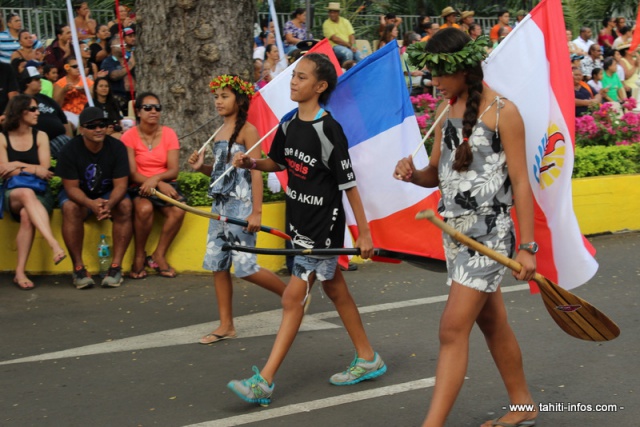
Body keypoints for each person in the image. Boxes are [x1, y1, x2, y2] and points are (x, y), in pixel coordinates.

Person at [394, 29, 537, 427]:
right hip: (455, 234)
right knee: (492, 322)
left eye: (440, 73)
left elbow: (521, 183)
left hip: (490, 233)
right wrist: (412, 174)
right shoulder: (445, 112)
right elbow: (435, 175)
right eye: (431, 74)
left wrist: (527, 247)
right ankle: (523, 405)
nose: (434, 81)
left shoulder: (504, 112)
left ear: (464, 68)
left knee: (452, 329)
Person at [228, 54, 386, 405]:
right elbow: (278, 163)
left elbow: (349, 184)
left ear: (320, 86)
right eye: (294, 76)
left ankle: (264, 381)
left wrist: (363, 233)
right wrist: (252, 162)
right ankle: (367, 357)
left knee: (292, 298)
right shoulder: (288, 123)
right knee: (335, 288)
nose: (293, 81)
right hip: (298, 222)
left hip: (323, 227)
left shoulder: (330, 130)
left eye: (301, 77)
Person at [187, 75, 286, 344]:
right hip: (219, 206)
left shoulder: (248, 130)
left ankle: (292, 296)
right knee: (218, 265)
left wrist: (257, 212)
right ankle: (226, 325)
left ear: (240, 100)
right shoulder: (219, 131)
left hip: (241, 207)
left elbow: (255, 172)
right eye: (216, 97)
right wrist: (201, 168)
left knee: (245, 267)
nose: (218, 101)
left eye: (225, 96)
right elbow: (222, 174)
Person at [56, 107, 133, 289]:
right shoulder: (69, 150)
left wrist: (109, 204)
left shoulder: (117, 147)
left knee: (125, 206)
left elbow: (121, 185)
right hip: (81, 195)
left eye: (102, 125)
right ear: (82, 129)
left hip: (107, 194)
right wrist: (91, 204)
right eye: (92, 126)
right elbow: (71, 188)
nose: (98, 129)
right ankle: (79, 269)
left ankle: (115, 267)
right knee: (70, 208)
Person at [0, 94, 67, 290]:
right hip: (13, 191)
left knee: (26, 215)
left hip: (40, 192)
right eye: (33, 109)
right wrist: (32, 168)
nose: (38, 113)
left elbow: (45, 170)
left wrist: (15, 164)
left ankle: (20, 272)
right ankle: (53, 244)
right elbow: (3, 171)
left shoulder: (41, 136)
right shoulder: (2, 137)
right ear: (20, 112)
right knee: (25, 194)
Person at [121, 92, 185, 279]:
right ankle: (139, 255)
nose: (153, 111)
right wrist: (151, 182)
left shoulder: (169, 134)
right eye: (147, 108)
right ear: (138, 112)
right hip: (139, 185)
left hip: (164, 183)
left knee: (179, 209)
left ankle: (159, 254)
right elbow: (132, 173)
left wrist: (157, 181)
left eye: (157, 108)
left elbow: (173, 170)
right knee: (144, 209)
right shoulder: (129, 136)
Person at [19, 66, 72, 158]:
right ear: (27, 83)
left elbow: (64, 120)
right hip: (40, 144)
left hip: (62, 138)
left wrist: (71, 141)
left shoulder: (46, 99)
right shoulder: (19, 101)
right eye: (36, 79)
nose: (40, 81)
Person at [53, 56, 94, 129]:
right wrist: (63, 91)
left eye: (80, 66)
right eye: (75, 66)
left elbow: (94, 100)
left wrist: (86, 91)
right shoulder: (59, 84)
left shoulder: (88, 82)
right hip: (67, 114)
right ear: (67, 67)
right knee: (67, 123)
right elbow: (56, 106)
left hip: (85, 113)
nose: (78, 68)